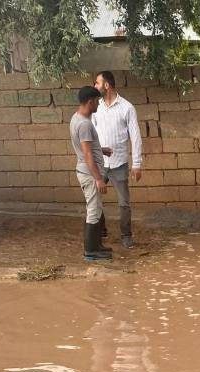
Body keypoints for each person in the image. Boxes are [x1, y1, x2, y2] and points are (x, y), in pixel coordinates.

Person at [91, 70, 143, 248]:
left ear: (106, 85)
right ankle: (102, 229)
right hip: (100, 163)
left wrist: (137, 164)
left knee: (124, 203)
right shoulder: (95, 107)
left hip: (119, 163)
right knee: (94, 196)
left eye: (97, 83)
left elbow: (135, 137)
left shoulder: (127, 108)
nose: (95, 86)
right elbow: (91, 132)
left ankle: (126, 235)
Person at [70, 86, 113, 261]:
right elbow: (87, 154)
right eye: (97, 101)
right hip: (89, 174)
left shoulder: (76, 118)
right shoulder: (85, 124)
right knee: (93, 210)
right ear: (90, 102)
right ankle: (90, 251)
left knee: (96, 208)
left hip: (85, 170)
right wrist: (98, 179)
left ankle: (96, 246)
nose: (98, 104)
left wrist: (100, 149)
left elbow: (86, 148)